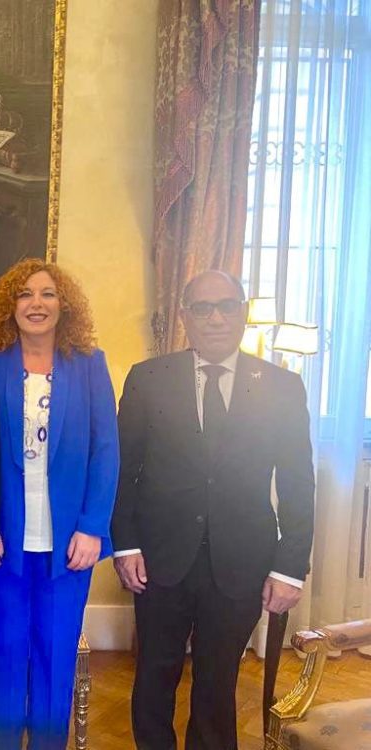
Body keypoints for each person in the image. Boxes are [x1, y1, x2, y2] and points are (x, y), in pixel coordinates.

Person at [111, 270, 315, 750]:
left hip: (242, 560)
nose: (215, 318)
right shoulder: (148, 378)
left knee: (218, 680)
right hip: (159, 558)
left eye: (226, 306)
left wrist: (289, 568)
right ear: (185, 316)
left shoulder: (282, 386)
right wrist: (126, 544)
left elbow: (297, 482)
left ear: (242, 312)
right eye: (202, 308)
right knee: (154, 674)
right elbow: (123, 470)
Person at [0, 259, 119, 750]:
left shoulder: (89, 364)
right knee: (4, 654)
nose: (36, 304)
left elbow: (106, 448)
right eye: (24, 294)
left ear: (65, 305)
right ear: (9, 306)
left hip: (70, 544)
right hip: (2, 543)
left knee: (55, 657)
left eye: (47, 294)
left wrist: (93, 526)